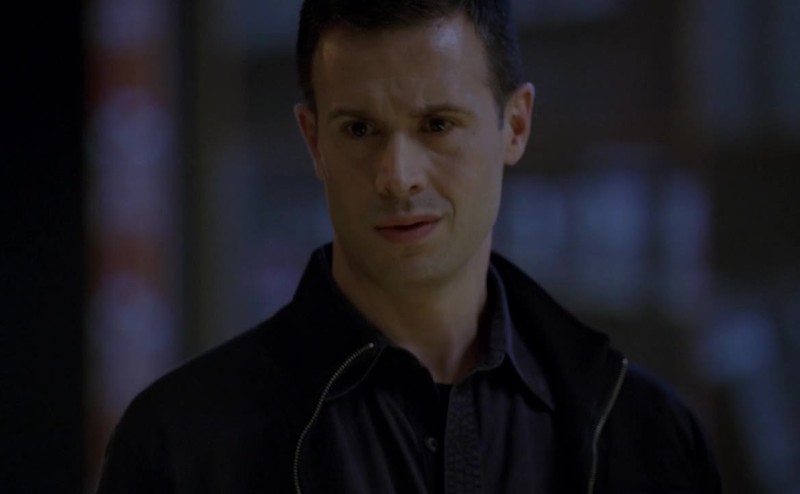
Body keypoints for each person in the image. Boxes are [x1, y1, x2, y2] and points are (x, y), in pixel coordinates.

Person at [97, 1, 723, 492]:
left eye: (437, 125)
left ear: (515, 125)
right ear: (314, 141)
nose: (397, 176)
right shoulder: (185, 446)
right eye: (359, 129)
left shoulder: (646, 436)